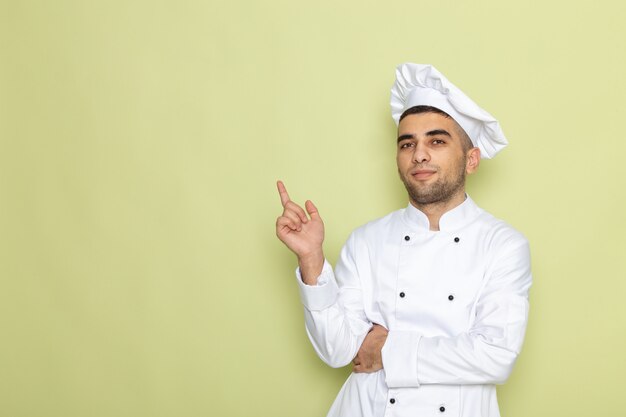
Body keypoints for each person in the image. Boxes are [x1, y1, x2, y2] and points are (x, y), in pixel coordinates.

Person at [275, 63, 532, 417]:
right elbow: (337, 351)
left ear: (471, 159)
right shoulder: (367, 240)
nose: (419, 155)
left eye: (437, 141)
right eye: (407, 143)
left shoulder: (503, 245)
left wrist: (387, 349)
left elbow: (496, 357)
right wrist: (312, 261)